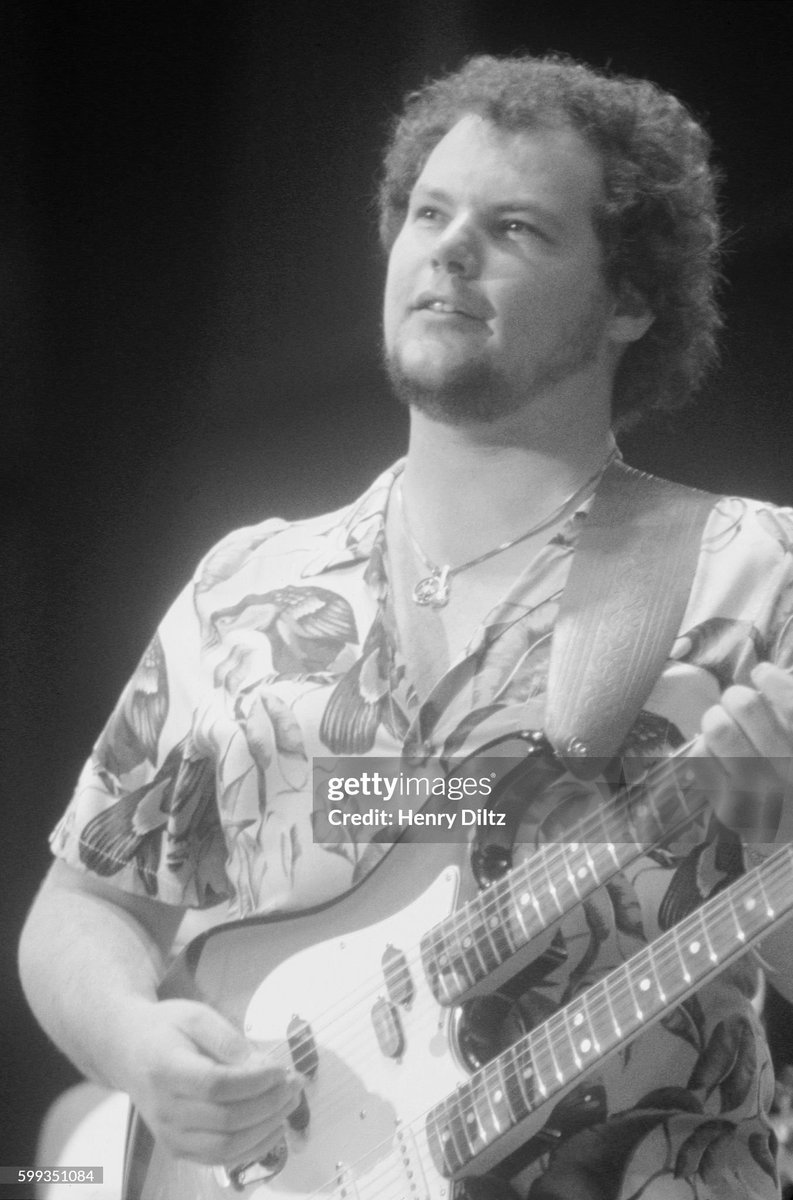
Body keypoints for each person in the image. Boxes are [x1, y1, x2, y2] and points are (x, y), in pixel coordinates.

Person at [19, 52, 793, 1200]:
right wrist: (133, 1044)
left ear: (631, 299)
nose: (450, 246)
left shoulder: (755, 573)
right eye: (429, 212)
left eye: (518, 227)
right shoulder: (245, 585)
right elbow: (85, 906)